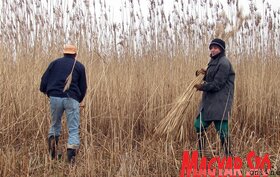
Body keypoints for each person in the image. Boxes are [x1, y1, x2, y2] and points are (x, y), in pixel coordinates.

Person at [40, 44, 87, 163]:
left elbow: (44, 81)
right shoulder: (79, 66)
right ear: (75, 54)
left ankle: (52, 157)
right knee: (73, 129)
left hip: (55, 98)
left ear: (64, 53)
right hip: (72, 99)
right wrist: (78, 99)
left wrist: (48, 92)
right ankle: (71, 162)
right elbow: (83, 87)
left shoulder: (54, 63)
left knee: (55, 125)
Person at [194, 38, 235, 157]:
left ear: (221, 49)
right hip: (208, 101)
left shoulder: (224, 63)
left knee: (222, 130)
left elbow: (217, 84)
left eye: (215, 48)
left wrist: (201, 87)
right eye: (211, 47)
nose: (212, 50)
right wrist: (202, 74)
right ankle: (201, 153)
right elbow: (210, 78)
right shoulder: (212, 62)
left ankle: (228, 155)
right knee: (199, 125)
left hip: (220, 102)